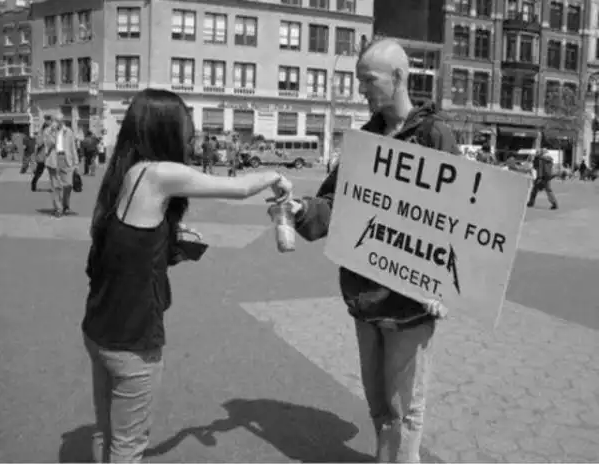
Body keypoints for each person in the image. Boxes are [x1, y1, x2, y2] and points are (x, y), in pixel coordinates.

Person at [82, 88, 292, 463]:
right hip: (132, 340)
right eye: (186, 130)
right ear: (165, 130)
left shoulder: (126, 174)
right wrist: (276, 176)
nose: (190, 138)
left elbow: (123, 249)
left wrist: (167, 241)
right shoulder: (158, 173)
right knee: (128, 446)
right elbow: (239, 188)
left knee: (106, 432)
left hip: (99, 330)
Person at [283, 38, 458, 463]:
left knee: (405, 412)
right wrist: (301, 210)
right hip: (365, 297)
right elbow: (334, 202)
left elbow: (458, 221)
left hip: (410, 304)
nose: (360, 89)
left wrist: (444, 288)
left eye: (368, 80)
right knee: (380, 405)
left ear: (398, 77)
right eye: (359, 80)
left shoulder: (435, 136)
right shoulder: (364, 140)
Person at [42, 112, 80, 216]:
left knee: (69, 184)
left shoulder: (68, 131)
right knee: (56, 186)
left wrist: (76, 162)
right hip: (53, 159)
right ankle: (58, 209)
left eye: (60, 121)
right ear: (53, 121)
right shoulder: (47, 131)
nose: (58, 123)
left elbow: (73, 147)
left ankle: (65, 205)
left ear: (63, 121)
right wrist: (52, 132)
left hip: (66, 159)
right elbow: (48, 144)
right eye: (56, 120)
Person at [31, 116, 53, 191]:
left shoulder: (50, 133)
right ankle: (33, 184)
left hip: (50, 155)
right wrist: (44, 140)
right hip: (42, 156)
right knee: (39, 171)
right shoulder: (41, 133)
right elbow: (38, 143)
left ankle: (54, 187)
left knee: (52, 172)